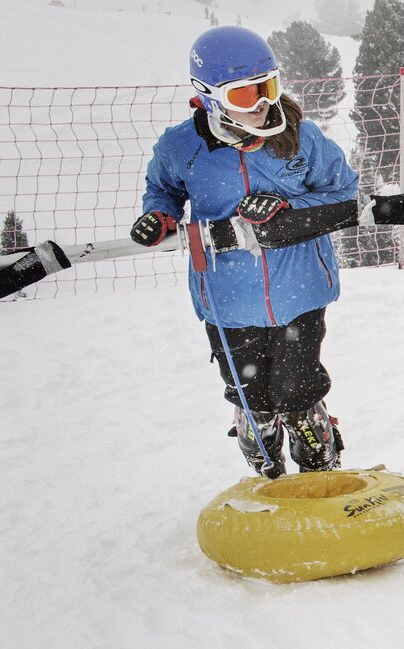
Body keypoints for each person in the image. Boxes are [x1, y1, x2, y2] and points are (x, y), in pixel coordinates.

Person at [130, 26, 360, 478]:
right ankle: (265, 467)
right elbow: (163, 188)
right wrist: (161, 215)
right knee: (251, 398)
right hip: (227, 298)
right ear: (209, 96)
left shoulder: (302, 137)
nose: (260, 103)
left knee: (297, 392)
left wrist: (288, 209)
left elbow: (343, 192)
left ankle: (320, 467)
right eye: (243, 94)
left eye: (267, 87)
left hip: (300, 290)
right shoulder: (182, 147)